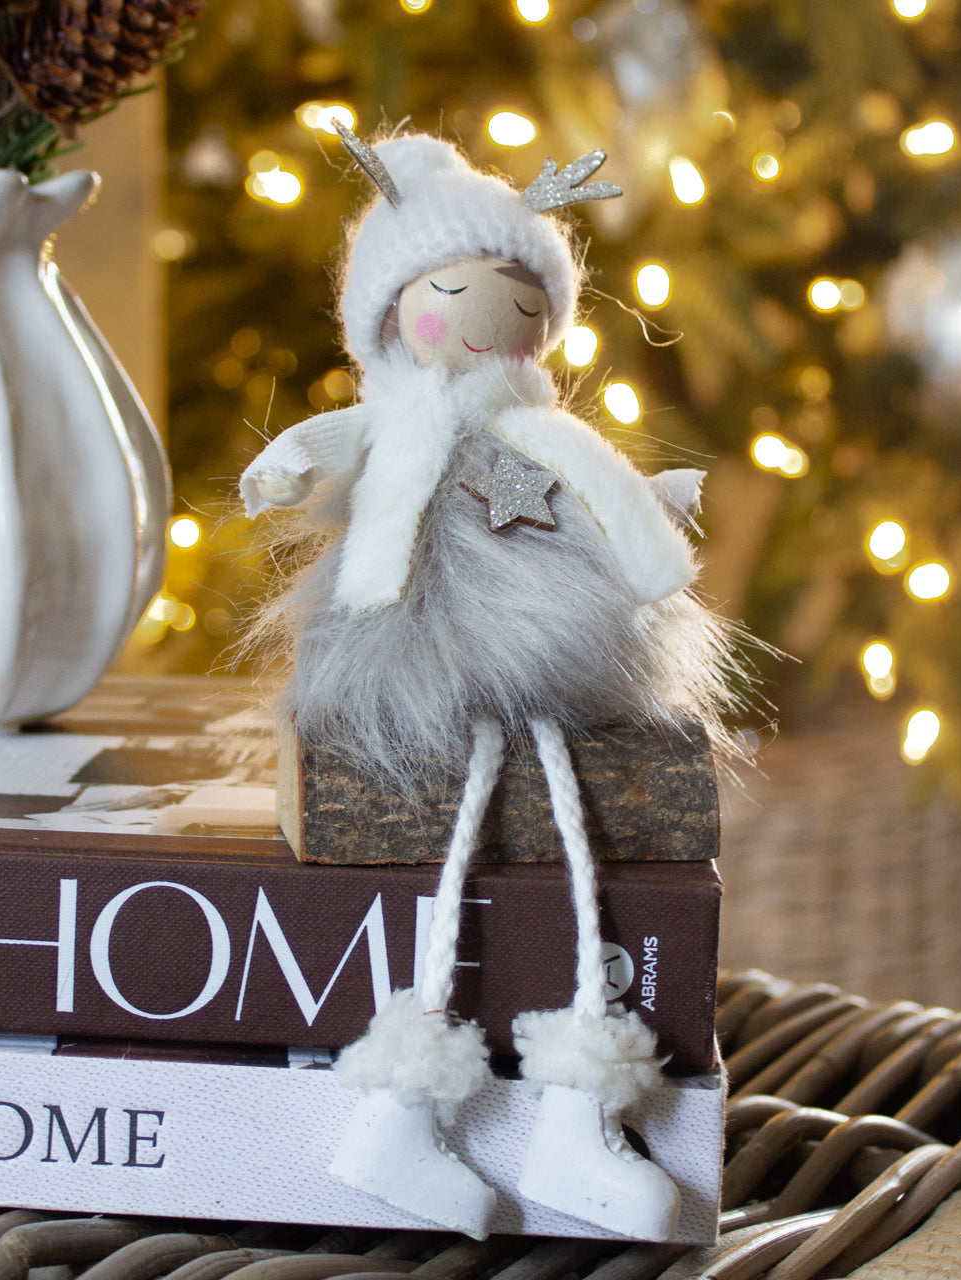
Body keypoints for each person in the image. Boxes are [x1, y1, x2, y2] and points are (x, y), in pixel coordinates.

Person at [241, 126, 732, 1241]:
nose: (481, 314)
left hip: (553, 638)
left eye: (512, 297)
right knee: (473, 821)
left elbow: (602, 489)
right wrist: (285, 465)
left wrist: (655, 536)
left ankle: (570, 1119)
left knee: (561, 805)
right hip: (410, 632)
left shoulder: (536, 424)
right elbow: (334, 440)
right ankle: (402, 1118)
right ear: (391, 311)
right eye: (449, 289)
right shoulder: (395, 416)